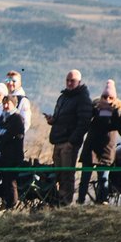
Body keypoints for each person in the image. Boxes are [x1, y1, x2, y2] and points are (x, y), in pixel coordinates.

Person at [45, 70, 92, 205]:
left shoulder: (82, 99)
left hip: (69, 143)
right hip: (58, 140)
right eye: (68, 80)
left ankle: (66, 202)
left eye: (72, 81)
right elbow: (61, 117)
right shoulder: (63, 97)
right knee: (58, 173)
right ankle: (58, 200)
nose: (69, 83)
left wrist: (71, 142)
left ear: (79, 82)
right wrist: (52, 120)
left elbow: (84, 123)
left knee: (67, 174)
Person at [78, 81, 121, 204]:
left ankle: (102, 200)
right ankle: (80, 201)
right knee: (85, 178)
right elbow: (86, 121)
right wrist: (95, 110)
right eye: (105, 97)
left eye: (110, 97)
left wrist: (114, 112)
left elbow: (119, 125)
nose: (107, 99)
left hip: (106, 149)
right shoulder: (94, 108)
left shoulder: (118, 111)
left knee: (104, 178)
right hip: (91, 148)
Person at [0, 95, 25, 211]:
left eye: (8, 103)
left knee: (10, 182)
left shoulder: (17, 118)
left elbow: (9, 136)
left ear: (13, 104)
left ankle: (11, 207)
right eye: (4, 103)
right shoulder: (2, 117)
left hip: (12, 158)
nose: (5, 106)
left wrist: (1, 134)